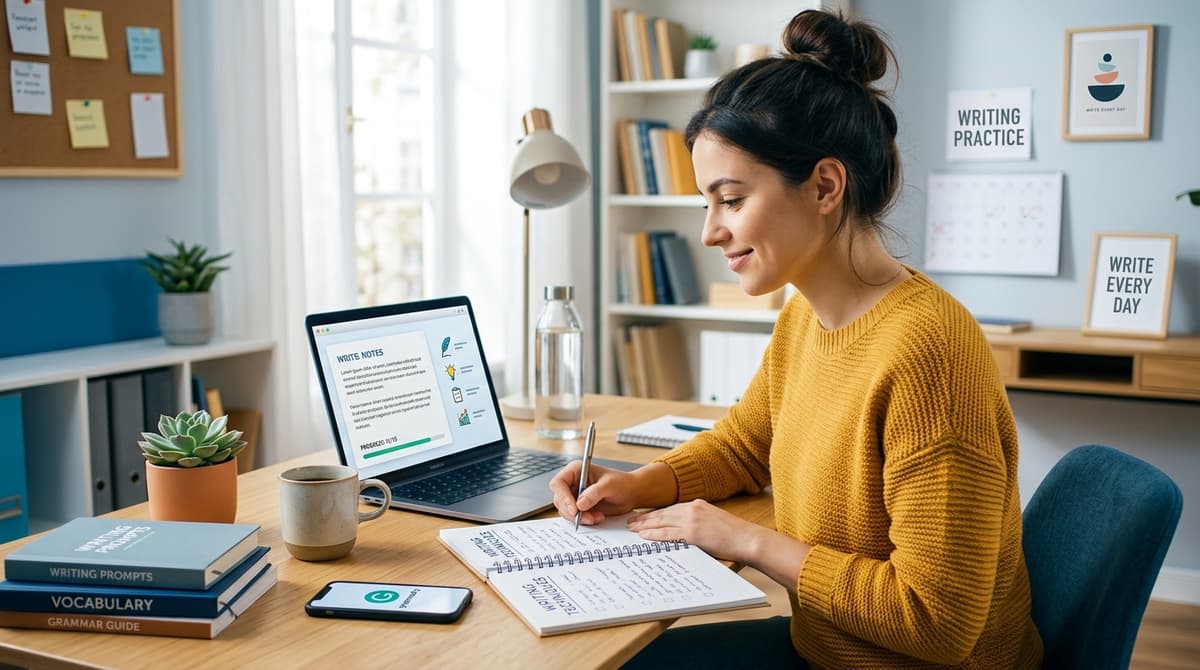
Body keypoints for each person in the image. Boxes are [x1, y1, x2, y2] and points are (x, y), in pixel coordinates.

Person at [549, 8, 1043, 669]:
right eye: (706, 203)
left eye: (730, 199)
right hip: (826, 651)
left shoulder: (930, 352)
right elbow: (747, 446)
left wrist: (746, 541)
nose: (710, 232)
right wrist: (641, 484)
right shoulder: (805, 317)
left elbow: (937, 620)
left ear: (825, 187)